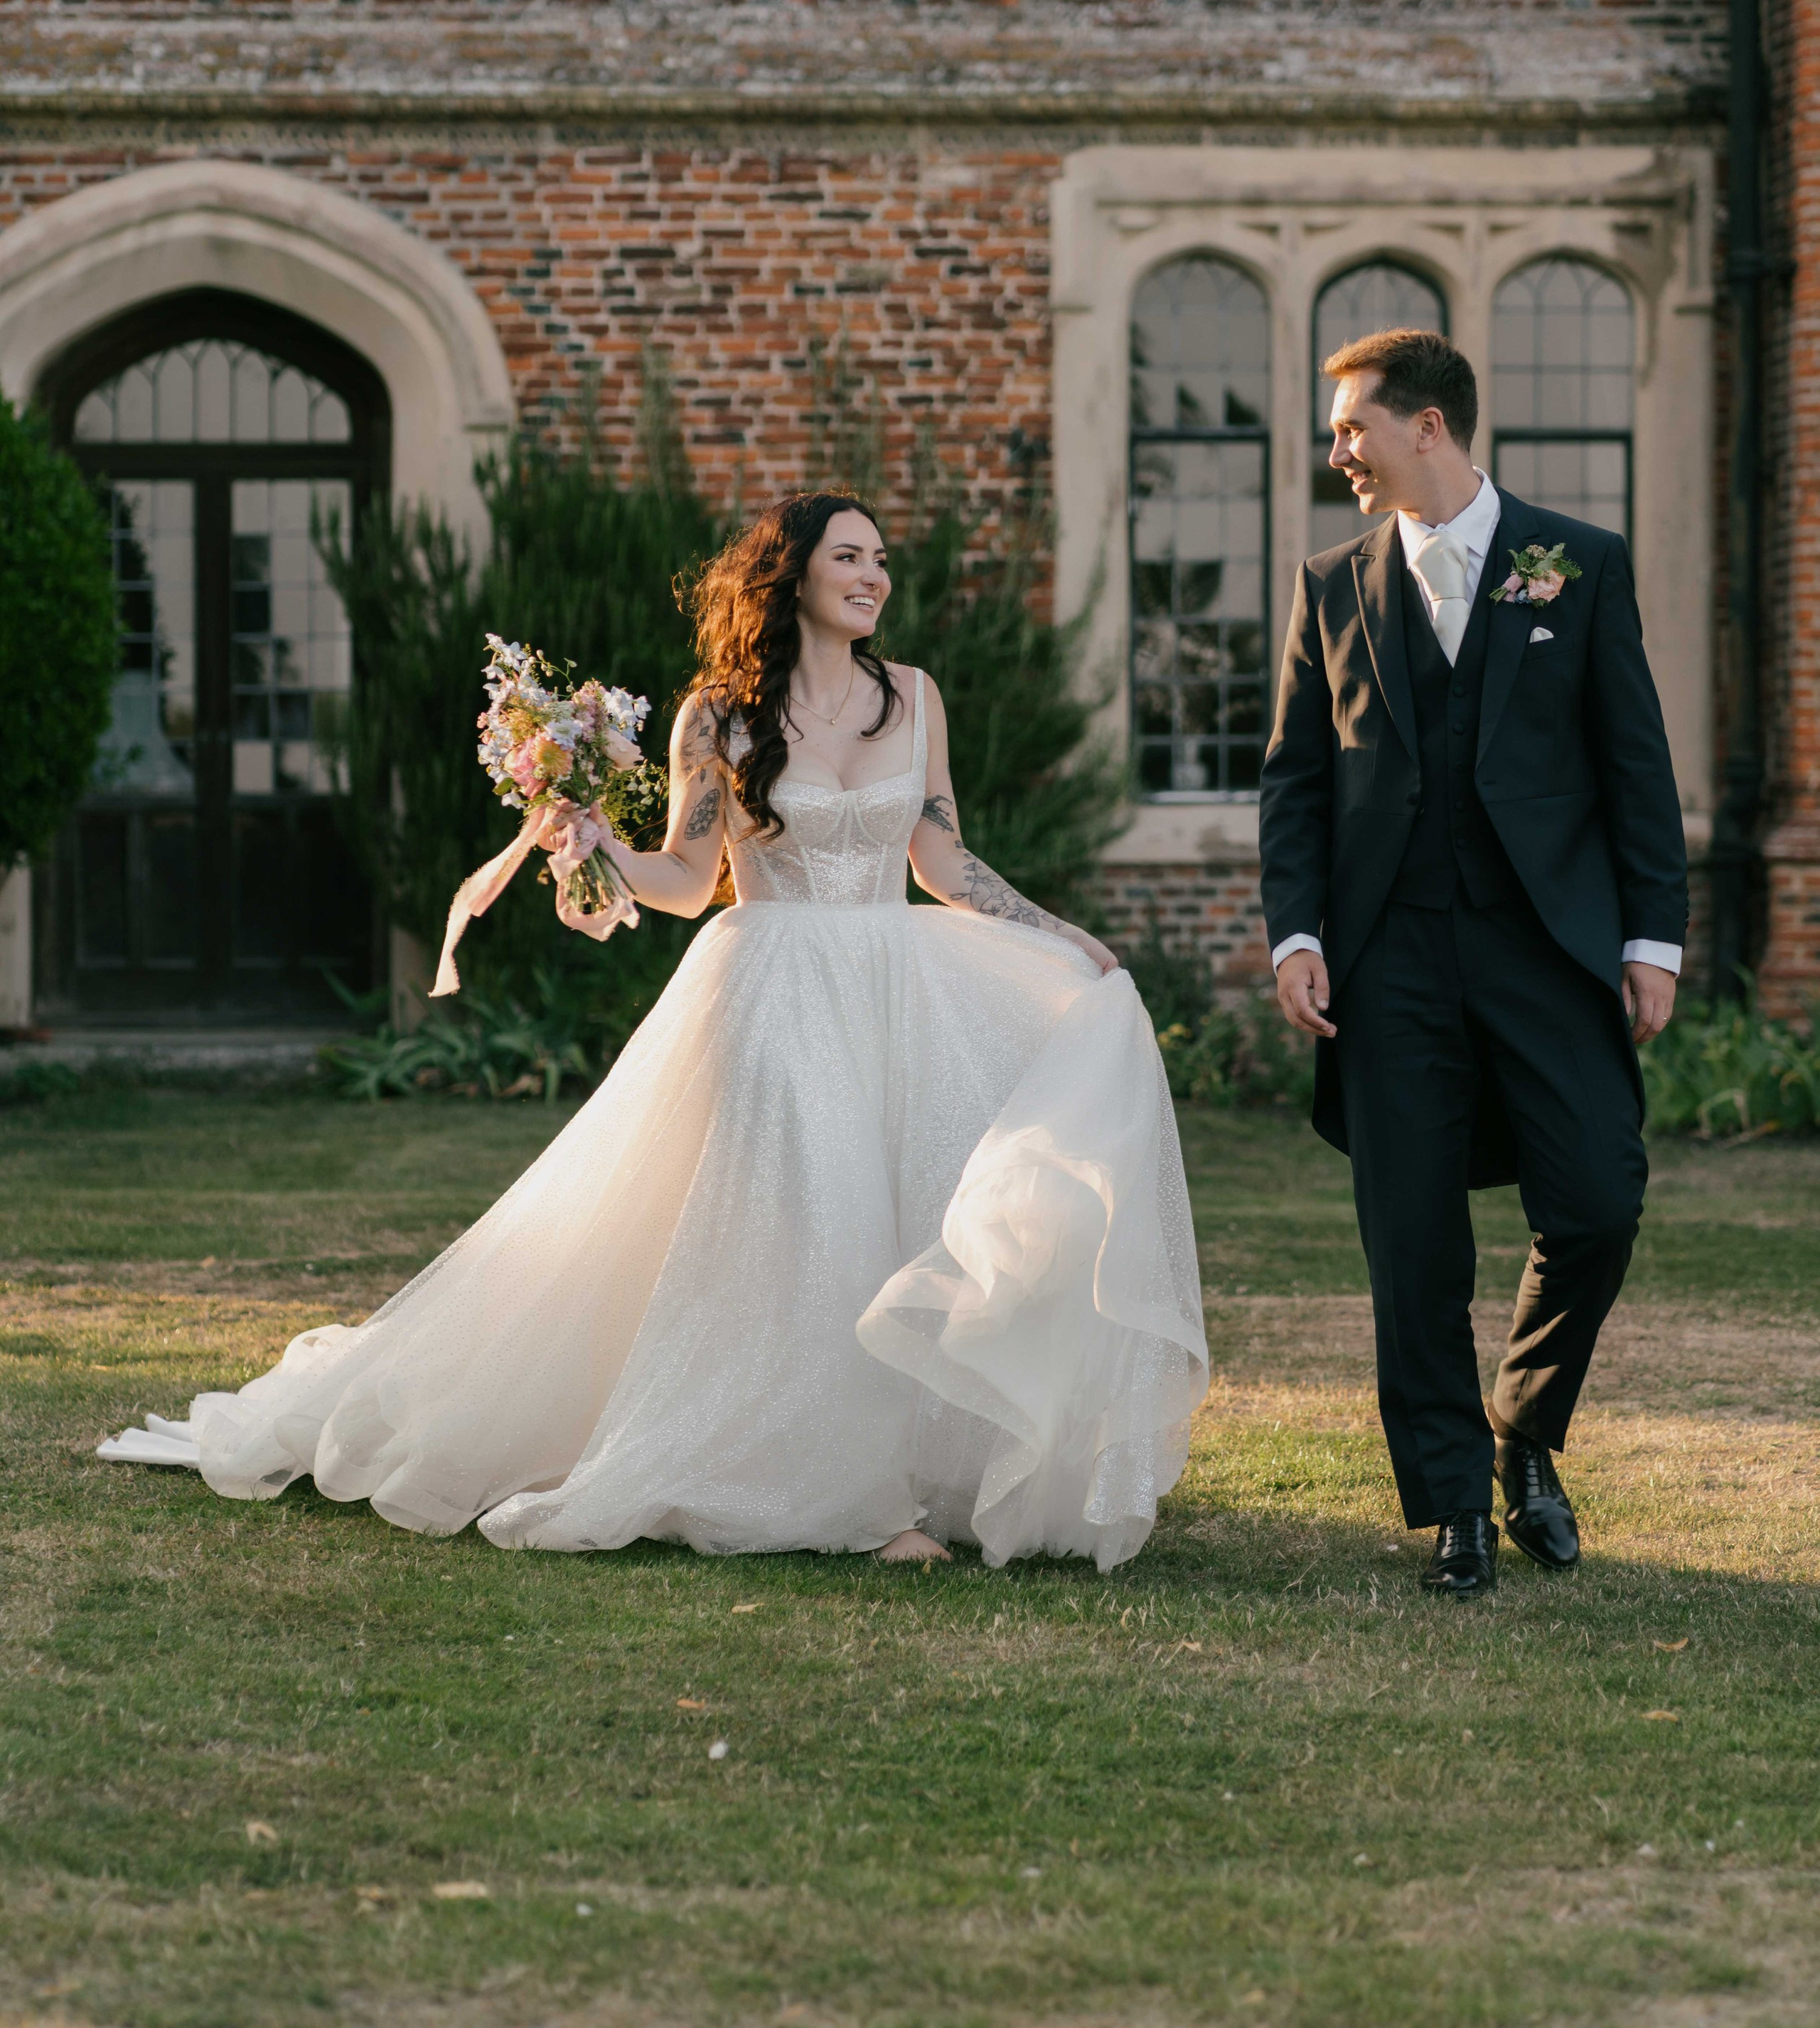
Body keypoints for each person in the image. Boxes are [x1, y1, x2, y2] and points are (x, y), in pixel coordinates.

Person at [100, 493, 1208, 1570]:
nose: (874, 577)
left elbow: (940, 861)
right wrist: (592, 838)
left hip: (896, 983)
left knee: (893, 1222)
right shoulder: (716, 716)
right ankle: (859, 1497)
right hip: (770, 985)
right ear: (795, 574)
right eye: (850, 558)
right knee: (818, 1220)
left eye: (881, 561)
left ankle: (904, 1463)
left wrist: (1061, 933)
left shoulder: (913, 695)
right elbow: (687, 879)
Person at [1260, 331, 1685, 1599]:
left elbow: (1635, 764)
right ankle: (1454, 1502)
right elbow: (1296, 781)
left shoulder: (1570, 563)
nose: (1338, 450)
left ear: (1427, 426)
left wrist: (1650, 936)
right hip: (1387, 960)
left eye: (1354, 428)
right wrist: (1296, 934)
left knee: (1600, 1198)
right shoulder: (1330, 581)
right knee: (1413, 1243)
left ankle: (1526, 1432)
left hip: (1546, 948)